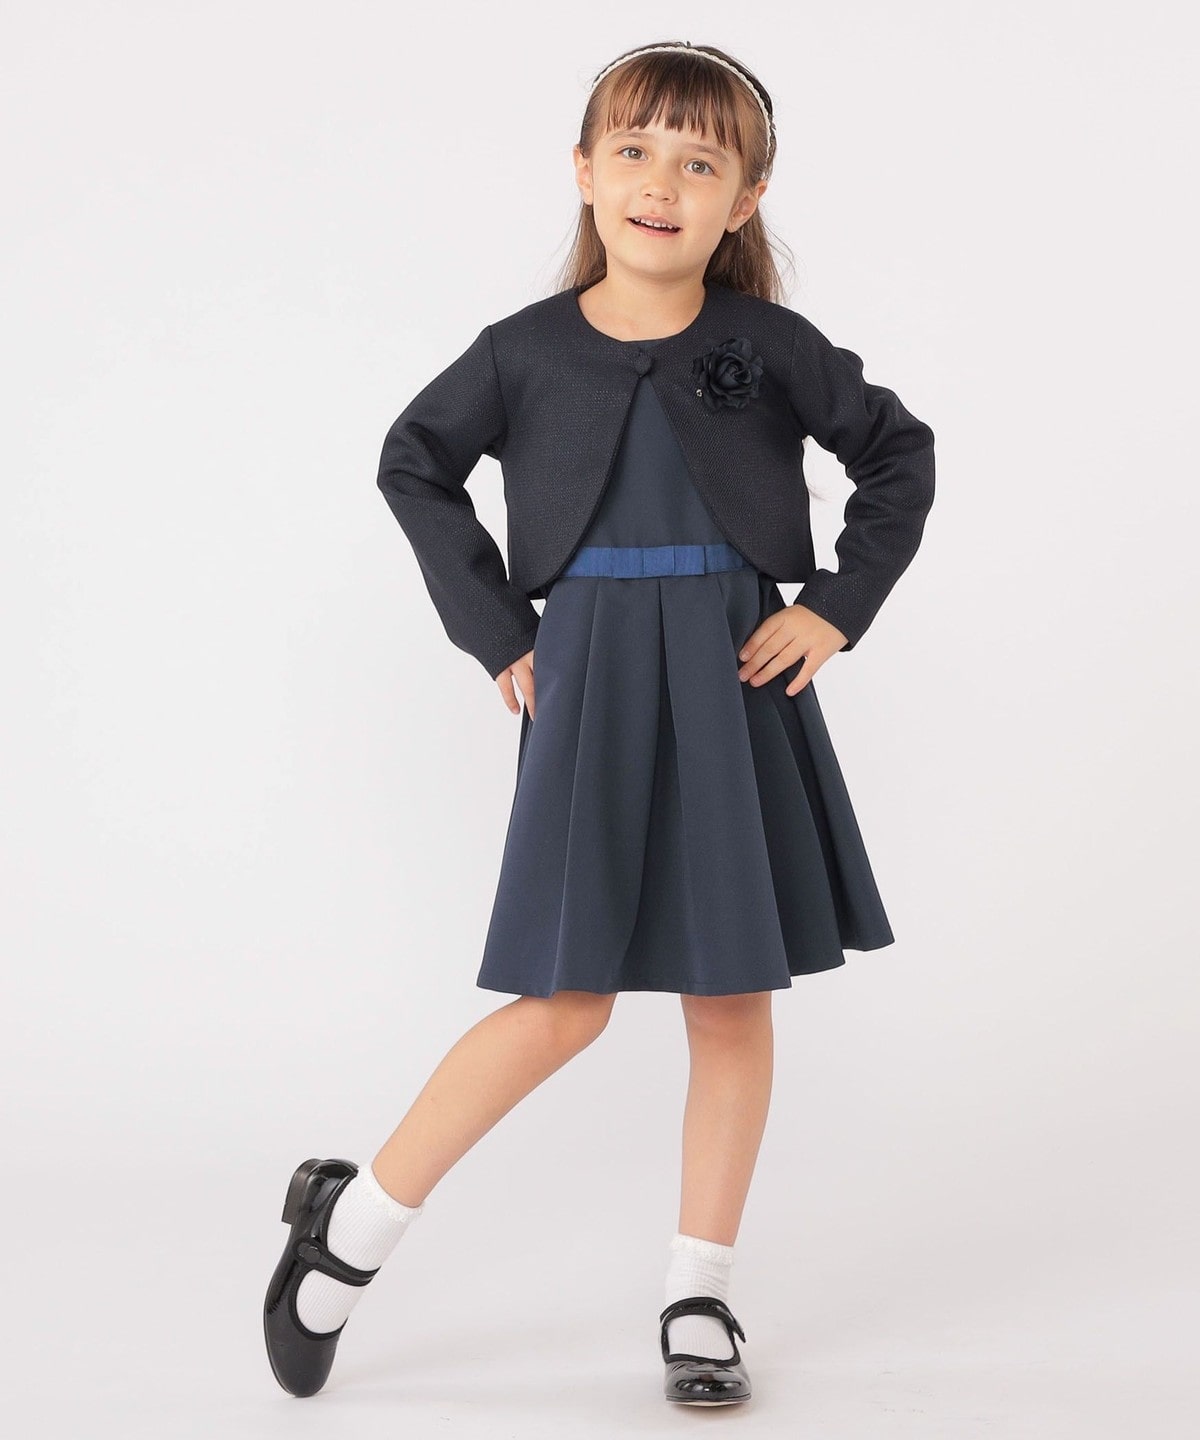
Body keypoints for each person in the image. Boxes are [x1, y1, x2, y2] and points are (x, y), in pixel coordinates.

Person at [263, 38, 935, 1408]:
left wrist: (835, 605)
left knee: (731, 996)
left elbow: (897, 453)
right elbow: (414, 462)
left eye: (699, 162)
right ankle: (352, 1229)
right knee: (563, 1003)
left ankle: (700, 1291)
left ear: (745, 199)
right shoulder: (522, 351)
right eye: (633, 151)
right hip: (592, 680)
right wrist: (499, 633)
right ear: (584, 171)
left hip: (737, 680)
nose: (660, 184)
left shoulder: (771, 345)